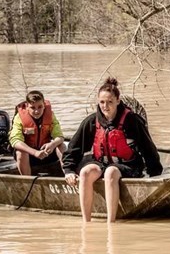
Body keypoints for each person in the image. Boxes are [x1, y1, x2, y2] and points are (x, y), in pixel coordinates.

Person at [63, 78, 163, 223]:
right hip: (101, 162)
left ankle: (111, 223)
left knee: (111, 172)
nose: (105, 106)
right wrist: (69, 170)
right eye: (102, 102)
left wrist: (154, 172)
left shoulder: (132, 120)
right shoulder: (91, 121)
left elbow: (148, 148)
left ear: (117, 100)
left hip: (129, 165)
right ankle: (86, 222)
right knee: (85, 173)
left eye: (110, 102)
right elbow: (74, 148)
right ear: (98, 101)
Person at [9, 91, 66, 176]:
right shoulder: (19, 117)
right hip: (29, 155)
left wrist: (53, 144)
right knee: (21, 152)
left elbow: (60, 136)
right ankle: (28, 182)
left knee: (61, 145)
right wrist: (35, 152)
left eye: (40, 107)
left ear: (44, 105)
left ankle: (68, 174)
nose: (36, 111)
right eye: (33, 107)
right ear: (27, 106)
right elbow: (15, 141)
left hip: (46, 152)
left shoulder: (50, 115)